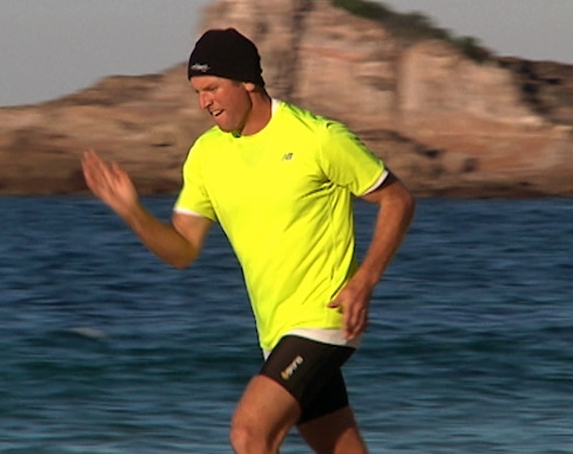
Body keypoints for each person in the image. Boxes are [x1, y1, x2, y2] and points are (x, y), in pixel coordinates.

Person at [81, 27, 415, 454]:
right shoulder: (206, 156)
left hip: (324, 317)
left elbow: (397, 199)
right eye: (198, 92)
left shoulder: (317, 138)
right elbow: (182, 249)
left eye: (212, 88)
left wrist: (365, 281)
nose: (205, 102)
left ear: (247, 83)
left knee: (249, 432)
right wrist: (132, 211)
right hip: (276, 331)